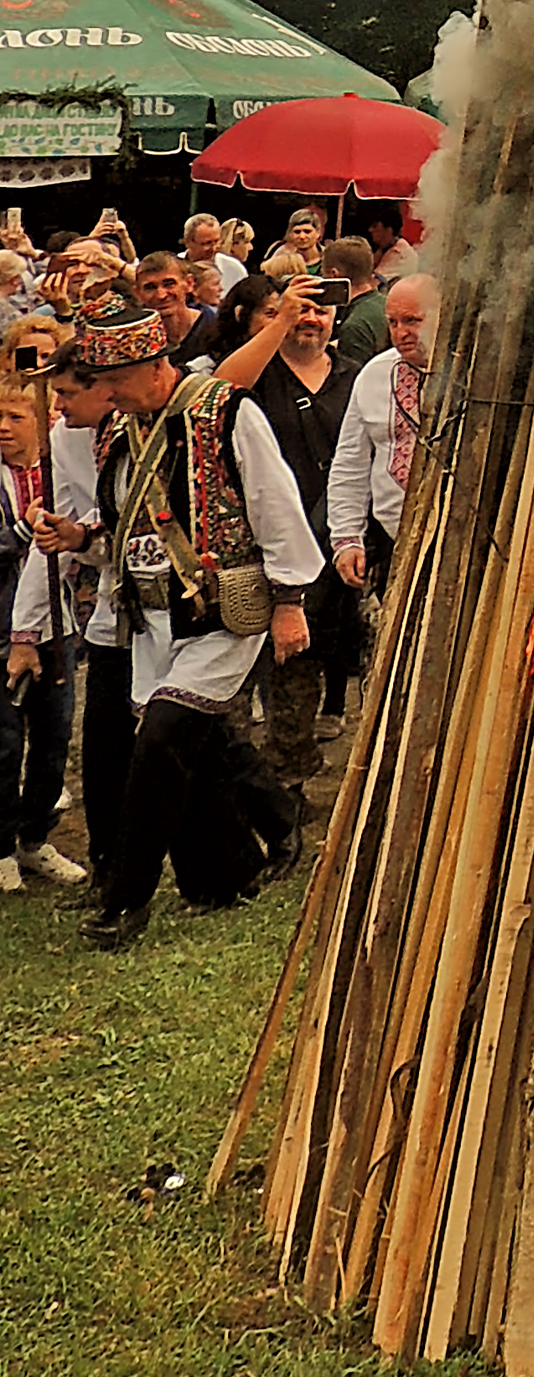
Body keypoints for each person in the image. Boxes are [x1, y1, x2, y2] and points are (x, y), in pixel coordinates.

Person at [76, 306, 316, 946]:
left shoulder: (229, 414)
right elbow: (121, 520)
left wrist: (289, 598)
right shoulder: (124, 429)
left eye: (116, 378)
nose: (108, 392)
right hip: (151, 619)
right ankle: (226, 872)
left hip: (220, 616)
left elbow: (274, 502)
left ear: (154, 366)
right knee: (197, 746)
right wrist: (83, 540)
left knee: (161, 742)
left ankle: (127, 899)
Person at [216, 266, 365, 778]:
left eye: (321, 310)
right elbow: (218, 392)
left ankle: (290, 785)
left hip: (329, 549)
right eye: (302, 309)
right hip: (253, 550)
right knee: (234, 685)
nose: (312, 319)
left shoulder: (354, 375)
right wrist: (279, 321)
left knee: (301, 677)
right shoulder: (260, 371)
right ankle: (234, 789)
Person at [0, 341, 85, 890]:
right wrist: (27, 531)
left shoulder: (61, 467)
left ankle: (35, 838)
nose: (4, 427)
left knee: (54, 737)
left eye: (15, 416)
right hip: (0, 627)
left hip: (60, 627)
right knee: (3, 743)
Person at [329, 272, 439, 588]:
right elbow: (350, 462)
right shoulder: (374, 375)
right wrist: (347, 538)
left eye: (412, 321)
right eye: (392, 322)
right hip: (395, 542)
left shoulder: (477, 372)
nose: (400, 332)